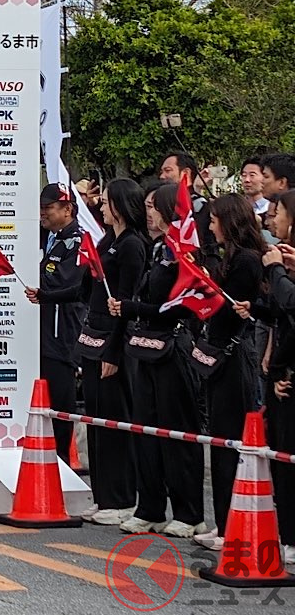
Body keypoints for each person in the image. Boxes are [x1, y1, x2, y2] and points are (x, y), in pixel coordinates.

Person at [38, 178, 149, 525]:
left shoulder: (132, 245)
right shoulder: (105, 241)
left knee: (116, 421)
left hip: (113, 342)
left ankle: (123, 498)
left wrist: (114, 353)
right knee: (97, 421)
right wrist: (42, 295)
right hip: (91, 337)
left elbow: (125, 303)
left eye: (106, 201)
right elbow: (84, 290)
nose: (100, 206)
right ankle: (103, 497)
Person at [107, 183, 206, 537]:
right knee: (144, 427)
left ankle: (189, 511)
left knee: (177, 431)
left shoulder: (184, 252)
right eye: (146, 205)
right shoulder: (157, 248)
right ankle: (149, 505)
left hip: (173, 346)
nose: (148, 212)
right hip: (145, 346)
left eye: (153, 206)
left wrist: (131, 307)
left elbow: (181, 305)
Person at [193, 193, 266, 551]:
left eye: (214, 219)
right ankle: (222, 522)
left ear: (229, 221)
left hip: (235, 356)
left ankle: (233, 525)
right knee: (219, 443)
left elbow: (227, 307)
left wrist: (204, 290)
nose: (209, 225)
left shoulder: (248, 261)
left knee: (230, 442)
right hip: (218, 353)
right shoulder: (229, 257)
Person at [247, 189, 295, 564]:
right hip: (281, 373)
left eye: (276, 213)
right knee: (281, 459)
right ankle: (286, 535)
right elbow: (280, 312)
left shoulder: (280, 263)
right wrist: (256, 311)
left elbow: (292, 304)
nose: (270, 219)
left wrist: (276, 267)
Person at [24, 183, 86, 459]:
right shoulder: (42, 235)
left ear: (67, 209)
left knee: (61, 402)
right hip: (38, 329)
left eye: (48, 208)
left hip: (63, 333)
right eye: (40, 208)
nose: (42, 214)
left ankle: (61, 460)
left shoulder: (79, 240)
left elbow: (62, 281)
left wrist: (30, 276)